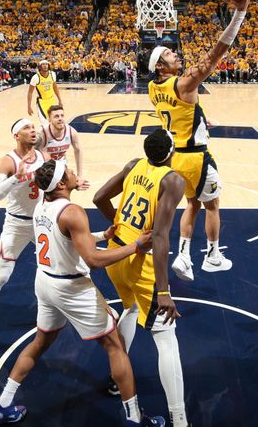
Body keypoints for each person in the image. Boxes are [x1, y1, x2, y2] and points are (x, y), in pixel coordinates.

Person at [0, 159, 165, 427]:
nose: (72, 172)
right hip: (71, 288)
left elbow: (67, 237)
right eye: (68, 171)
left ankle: (1, 405)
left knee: (39, 343)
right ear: (60, 183)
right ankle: (135, 419)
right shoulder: (72, 211)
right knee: (115, 346)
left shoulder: (40, 206)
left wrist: (103, 235)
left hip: (45, 282)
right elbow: (92, 259)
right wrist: (136, 246)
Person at [147, 0, 253, 281]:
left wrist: (202, 120)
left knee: (191, 205)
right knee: (212, 205)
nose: (176, 55)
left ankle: (182, 256)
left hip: (176, 159)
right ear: (160, 67)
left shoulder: (154, 90)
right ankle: (212, 255)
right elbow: (215, 55)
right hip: (197, 159)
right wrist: (239, 14)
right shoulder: (184, 83)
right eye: (169, 55)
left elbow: (183, 110)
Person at [93, 129, 189, 427]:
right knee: (166, 336)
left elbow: (98, 198)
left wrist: (117, 223)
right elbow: (160, 237)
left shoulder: (134, 164)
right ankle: (180, 418)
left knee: (131, 310)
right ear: (171, 153)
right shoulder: (173, 180)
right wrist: (164, 291)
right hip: (139, 260)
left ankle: (115, 379)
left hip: (116, 251)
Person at [0, 119, 45, 343]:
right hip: (16, 224)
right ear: (16, 135)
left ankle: (77, 310)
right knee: (3, 275)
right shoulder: (7, 161)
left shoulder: (44, 156)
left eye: (33, 127)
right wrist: (16, 177)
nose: (32, 130)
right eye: (26, 128)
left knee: (64, 265)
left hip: (41, 222)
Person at [36, 104, 86, 182]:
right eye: (56, 116)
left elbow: (78, 150)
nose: (60, 118)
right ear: (50, 120)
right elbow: (32, 153)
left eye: (62, 116)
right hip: (44, 169)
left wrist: (79, 175)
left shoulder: (71, 132)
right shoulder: (42, 133)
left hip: (61, 166)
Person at [27, 60, 63, 125]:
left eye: (46, 64)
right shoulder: (36, 77)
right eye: (43, 64)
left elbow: (55, 87)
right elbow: (30, 92)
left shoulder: (52, 74)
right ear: (40, 67)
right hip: (42, 102)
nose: (45, 65)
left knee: (52, 121)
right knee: (44, 123)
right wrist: (29, 106)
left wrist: (60, 100)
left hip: (52, 100)